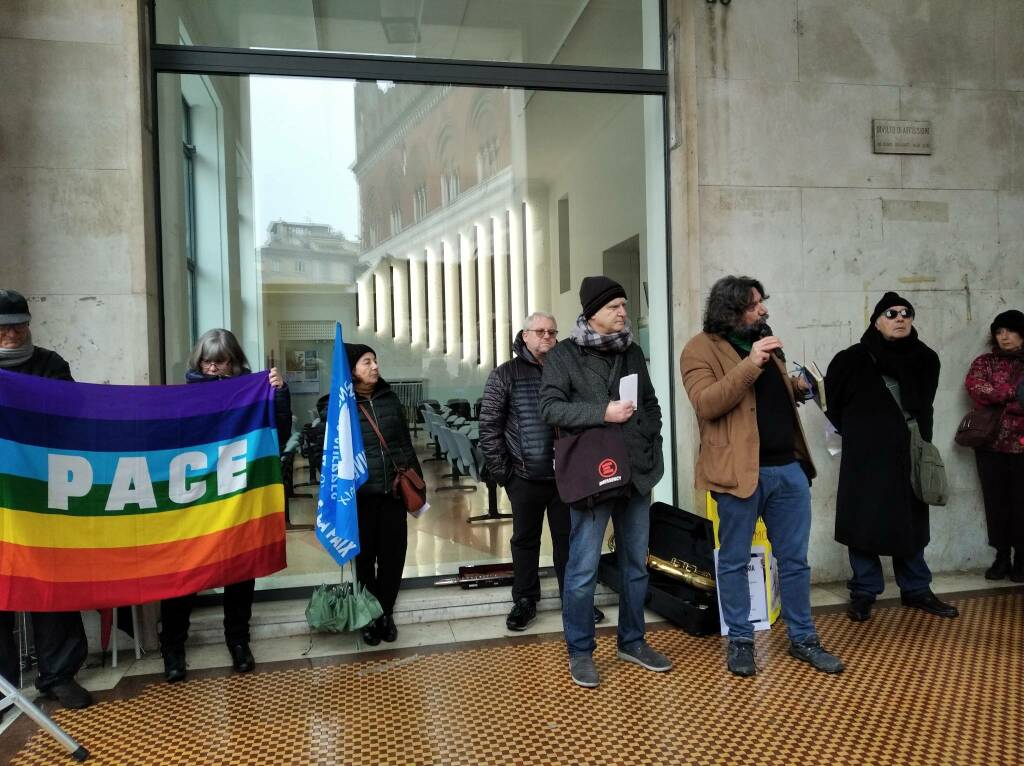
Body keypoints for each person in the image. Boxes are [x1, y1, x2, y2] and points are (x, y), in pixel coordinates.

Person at [681, 276, 843, 677]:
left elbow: (768, 395)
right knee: (734, 561)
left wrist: (798, 386)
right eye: (755, 305)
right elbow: (708, 403)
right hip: (737, 475)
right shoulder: (698, 349)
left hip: (787, 469)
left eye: (762, 303)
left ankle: (803, 639)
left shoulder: (765, 337)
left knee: (794, 561)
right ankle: (740, 640)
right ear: (731, 310)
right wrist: (752, 363)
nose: (763, 310)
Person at [540, 276, 671, 688]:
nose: (623, 312)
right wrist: (603, 412)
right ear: (592, 312)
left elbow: (648, 402)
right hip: (594, 475)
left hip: (637, 472)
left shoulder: (631, 351)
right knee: (582, 569)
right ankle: (580, 650)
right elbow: (550, 408)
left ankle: (632, 641)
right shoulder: (564, 355)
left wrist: (653, 436)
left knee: (636, 565)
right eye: (615, 306)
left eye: (624, 305)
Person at [159, 328, 291, 682]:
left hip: (237, 495)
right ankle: (172, 646)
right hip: (192, 500)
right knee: (184, 573)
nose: (214, 368)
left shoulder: (253, 394)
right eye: (208, 361)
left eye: (221, 362)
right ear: (198, 362)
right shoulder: (182, 397)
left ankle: (238, 641)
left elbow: (277, 429)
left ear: (234, 362)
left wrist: (278, 394)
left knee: (240, 569)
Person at [825, 292, 958, 623]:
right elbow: (833, 406)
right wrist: (862, 433)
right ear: (876, 320)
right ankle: (864, 591)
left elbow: (921, 403)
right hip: (864, 456)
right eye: (891, 313)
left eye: (906, 313)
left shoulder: (925, 358)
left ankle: (916, 589)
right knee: (863, 522)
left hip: (907, 453)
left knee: (910, 522)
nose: (900, 318)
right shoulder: (850, 359)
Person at [480, 313, 605, 631]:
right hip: (524, 476)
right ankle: (524, 601)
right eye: (540, 331)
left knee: (569, 540)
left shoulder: (567, 371)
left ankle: (574, 601)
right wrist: (505, 474)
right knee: (525, 540)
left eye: (552, 331)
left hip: (566, 474)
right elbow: (489, 428)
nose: (548, 336)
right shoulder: (504, 375)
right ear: (525, 335)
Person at [0, 289, 93, 709]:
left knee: (51, 585)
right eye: (3, 327)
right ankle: (3, 685)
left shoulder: (51, 365)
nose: (13, 333)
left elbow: (72, 421)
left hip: (42, 495)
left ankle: (58, 675)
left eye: (19, 324)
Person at [348, 344, 423, 646]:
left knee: (393, 557)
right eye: (367, 362)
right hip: (360, 497)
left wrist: (417, 485)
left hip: (392, 493)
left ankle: (386, 612)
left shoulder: (390, 400)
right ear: (352, 369)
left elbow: (405, 444)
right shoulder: (337, 406)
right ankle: (368, 616)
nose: (375, 367)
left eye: (376, 361)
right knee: (364, 560)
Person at [964, 310, 1024, 581]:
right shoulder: (984, 362)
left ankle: (1021, 558)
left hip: (1022, 446)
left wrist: (998, 397)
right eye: (999, 332)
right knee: (995, 502)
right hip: (990, 445)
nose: (1004, 337)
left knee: (1021, 502)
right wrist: (1014, 395)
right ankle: (1001, 557)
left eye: (1010, 331)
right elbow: (976, 389)